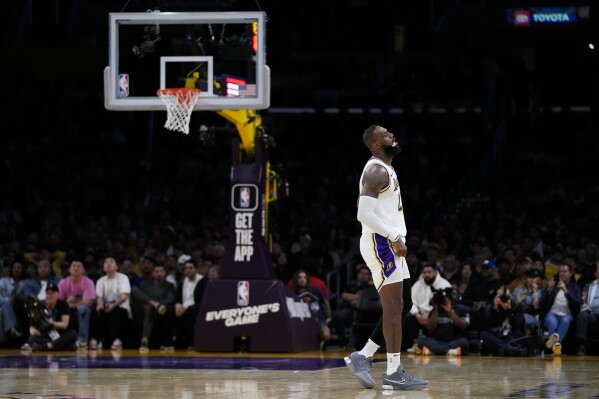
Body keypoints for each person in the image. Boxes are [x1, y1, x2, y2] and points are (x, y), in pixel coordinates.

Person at [344, 125, 428, 391]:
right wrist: (394, 236)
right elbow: (363, 215)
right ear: (375, 144)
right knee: (392, 308)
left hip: (387, 241)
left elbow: (363, 205)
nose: (392, 134)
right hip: (382, 244)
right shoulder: (377, 170)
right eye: (386, 134)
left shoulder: (383, 169)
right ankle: (393, 371)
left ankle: (364, 355)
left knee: (403, 303)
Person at [403, 262, 452, 351]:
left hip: (436, 315)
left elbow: (446, 304)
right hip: (420, 316)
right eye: (424, 272)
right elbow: (410, 301)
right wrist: (417, 315)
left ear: (436, 272)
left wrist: (430, 315)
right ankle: (415, 343)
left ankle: (435, 343)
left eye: (429, 272)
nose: (426, 275)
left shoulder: (445, 284)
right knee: (407, 316)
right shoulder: (418, 284)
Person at [130, 263, 175, 351]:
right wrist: (154, 303)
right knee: (134, 289)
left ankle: (145, 340)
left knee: (149, 308)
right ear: (152, 273)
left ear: (165, 273)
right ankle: (153, 304)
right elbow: (138, 297)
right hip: (141, 311)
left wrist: (157, 305)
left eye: (161, 271)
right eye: (156, 271)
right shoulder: (144, 284)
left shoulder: (169, 285)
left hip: (158, 312)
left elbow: (170, 299)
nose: (159, 273)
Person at [540, 263, 582, 355]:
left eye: (565, 271)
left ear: (570, 274)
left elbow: (577, 305)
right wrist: (549, 290)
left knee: (566, 320)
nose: (562, 273)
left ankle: (554, 345)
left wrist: (566, 291)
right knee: (552, 321)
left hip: (567, 315)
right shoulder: (553, 286)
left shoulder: (575, 287)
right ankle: (557, 346)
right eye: (560, 271)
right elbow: (541, 305)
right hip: (552, 314)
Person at [90, 256, 132, 350]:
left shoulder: (123, 278)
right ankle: (94, 339)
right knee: (94, 311)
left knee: (115, 310)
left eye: (111, 261)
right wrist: (100, 305)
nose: (108, 263)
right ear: (103, 267)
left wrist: (113, 305)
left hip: (121, 306)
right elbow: (99, 297)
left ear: (116, 266)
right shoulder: (100, 281)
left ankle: (118, 340)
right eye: (106, 262)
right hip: (107, 306)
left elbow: (123, 296)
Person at [22, 283, 78, 351]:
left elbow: (65, 325)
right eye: (47, 294)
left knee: (73, 334)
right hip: (46, 336)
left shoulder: (63, 305)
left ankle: (47, 346)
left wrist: (51, 324)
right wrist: (34, 331)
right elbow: (31, 328)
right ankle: (59, 346)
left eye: (52, 294)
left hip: (60, 334)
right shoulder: (40, 306)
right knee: (32, 338)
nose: (49, 296)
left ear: (57, 294)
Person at [331, 264, 374, 349]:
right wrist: (359, 297)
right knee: (337, 315)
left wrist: (354, 297)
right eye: (361, 273)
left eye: (366, 274)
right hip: (350, 310)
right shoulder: (351, 286)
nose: (363, 275)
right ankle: (342, 342)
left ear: (369, 276)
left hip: (365, 313)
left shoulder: (371, 287)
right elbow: (343, 295)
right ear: (357, 274)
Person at [418, 287, 470, 356]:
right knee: (421, 341)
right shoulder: (435, 310)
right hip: (436, 341)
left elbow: (463, 326)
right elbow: (430, 328)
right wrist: (435, 309)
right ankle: (450, 351)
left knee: (464, 342)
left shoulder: (461, 309)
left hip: (454, 341)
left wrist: (450, 311)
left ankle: (435, 351)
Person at [57, 260, 96, 349]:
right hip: (67, 310)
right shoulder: (63, 283)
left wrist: (71, 304)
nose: (76, 268)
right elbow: (58, 302)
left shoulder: (88, 282)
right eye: (74, 266)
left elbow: (87, 302)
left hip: (85, 311)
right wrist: (68, 303)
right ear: (69, 270)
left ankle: (82, 341)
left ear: (83, 270)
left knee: (82, 308)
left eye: (79, 266)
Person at [290, 269, 332, 345]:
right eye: (300, 277)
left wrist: (329, 316)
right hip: (300, 320)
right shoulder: (291, 293)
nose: (302, 279)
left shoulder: (316, 291)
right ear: (296, 280)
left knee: (326, 335)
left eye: (304, 277)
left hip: (318, 319)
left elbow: (324, 303)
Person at [174, 260, 204, 349]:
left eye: (190, 268)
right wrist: (177, 305)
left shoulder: (202, 281)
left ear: (196, 269)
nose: (188, 270)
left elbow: (201, 299)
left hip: (197, 307)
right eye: (186, 268)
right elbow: (177, 297)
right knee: (170, 310)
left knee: (192, 311)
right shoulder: (182, 283)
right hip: (183, 307)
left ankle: (192, 342)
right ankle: (174, 342)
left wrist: (186, 308)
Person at [575, 260, 599, 355]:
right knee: (582, 315)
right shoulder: (588, 286)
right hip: (592, 313)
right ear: (596, 271)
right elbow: (584, 300)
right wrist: (585, 307)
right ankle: (581, 346)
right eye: (598, 268)